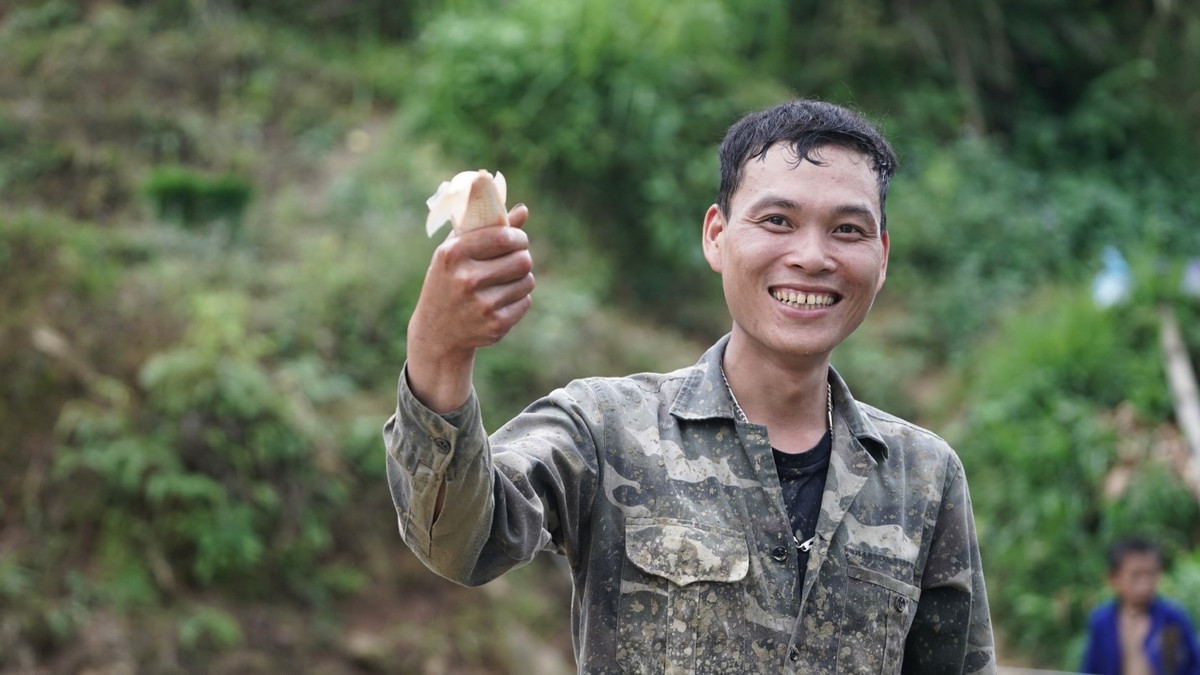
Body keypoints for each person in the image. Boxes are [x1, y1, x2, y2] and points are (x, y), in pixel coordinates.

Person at [384, 99, 996, 673]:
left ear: (881, 257)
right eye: (777, 220)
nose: (812, 256)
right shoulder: (604, 429)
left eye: (848, 230)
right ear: (716, 236)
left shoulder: (925, 477)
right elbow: (460, 542)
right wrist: (440, 348)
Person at [1081, 537, 1200, 675]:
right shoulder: (1102, 621)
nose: (1145, 583)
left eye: (1151, 574)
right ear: (1114, 578)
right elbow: (1090, 668)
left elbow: (1194, 664)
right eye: (1136, 575)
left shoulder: (1172, 617)